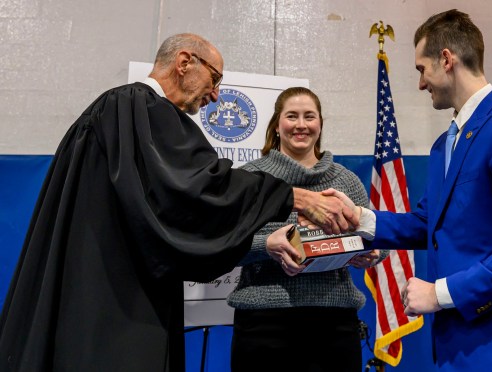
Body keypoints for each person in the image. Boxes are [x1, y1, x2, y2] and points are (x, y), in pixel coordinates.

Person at [0, 34, 357, 372]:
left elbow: (169, 211)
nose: (215, 95)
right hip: (115, 302)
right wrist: (293, 197)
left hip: (95, 288)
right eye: (214, 79)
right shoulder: (137, 106)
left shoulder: (118, 113)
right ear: (185, 62)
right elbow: (198, 189)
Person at [327, 9, 492, 371]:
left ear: (446, 59)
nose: (421, 83)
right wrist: (360, 218)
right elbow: (428, 222)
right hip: (457, 344)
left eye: (422, 69)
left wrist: (438, 294)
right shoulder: (444, 145)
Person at [227, 87, 383, 372]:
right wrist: (267, 245)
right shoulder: (249, 178)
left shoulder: (345, 181)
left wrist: (372, 253)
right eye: (292, 116)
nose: (301, 125)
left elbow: (377, 239)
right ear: (277, 124)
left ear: (320, 124)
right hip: (263, 326)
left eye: (309, 116)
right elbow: (225, 248)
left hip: (335, 327)